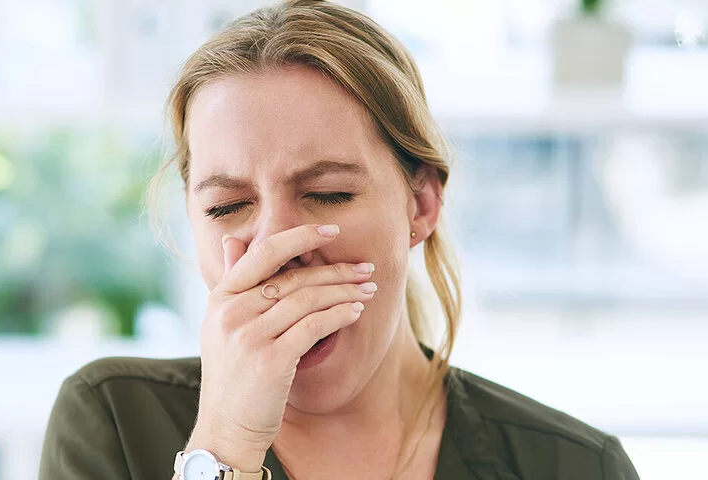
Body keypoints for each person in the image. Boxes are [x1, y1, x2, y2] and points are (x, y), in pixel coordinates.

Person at [40, 1, 640, 478]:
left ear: (422, 202)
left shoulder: (576, 467)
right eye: (228, 206)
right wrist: (223, 450)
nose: (275, 245)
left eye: (327, 194)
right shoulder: (111, 421)